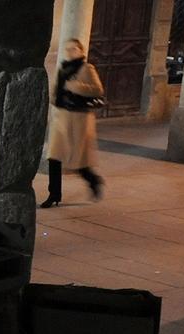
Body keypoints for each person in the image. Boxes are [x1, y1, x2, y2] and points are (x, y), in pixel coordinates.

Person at [41, 39, 106, 208]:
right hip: (62, 117)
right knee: (54, 157)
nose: (70, 51)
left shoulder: (87, 68)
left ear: (80, 50)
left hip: (79, 119)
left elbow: (97, 90)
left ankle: (94, 181)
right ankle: (54, 194)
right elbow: (56, 89)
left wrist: (74, 85)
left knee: (78, 161)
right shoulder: (62, 67)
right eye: (67, 48)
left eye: (73, 48)